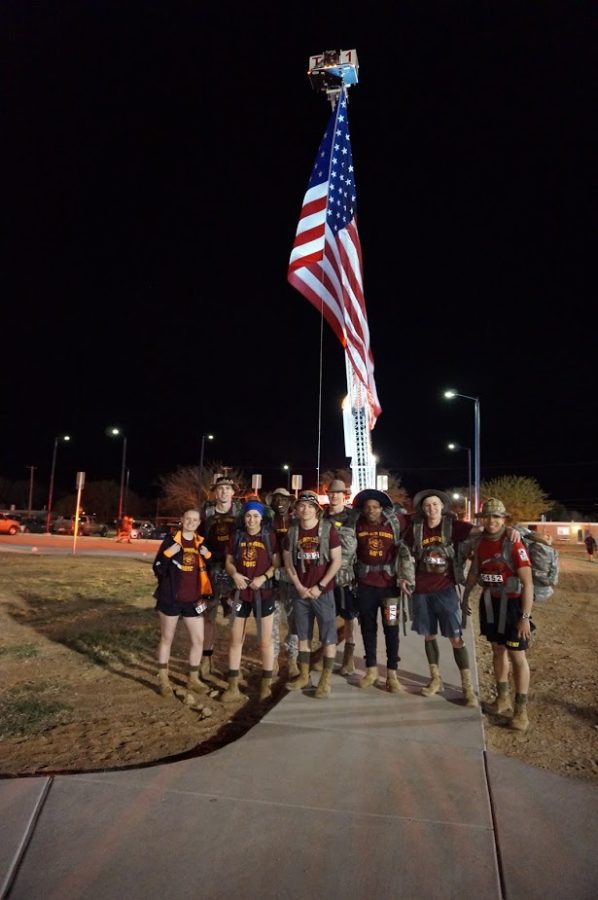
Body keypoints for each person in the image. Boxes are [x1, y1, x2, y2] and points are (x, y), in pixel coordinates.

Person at [462, 498, 534, 731]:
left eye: (496, 517)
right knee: (497, 650)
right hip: (490, 603)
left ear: (503, 520)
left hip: (513, 606)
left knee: (517, 656)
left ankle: (520, 711)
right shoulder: (480, 542)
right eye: (487, 517)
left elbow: (528, 583)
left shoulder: (514, 543)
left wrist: (525, 617)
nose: (491, 521)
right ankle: (502, 698)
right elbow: (475, 571)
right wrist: (465, 597)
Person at [402, 490, 478, 706]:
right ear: (422, 509)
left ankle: (467, 686)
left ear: (442, 507)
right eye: (427, 505)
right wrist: (404, 577)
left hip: (445, 590)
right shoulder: (415, 528)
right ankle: (436, 679)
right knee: (428, 635)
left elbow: (482, 531)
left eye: (435, 505)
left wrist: (513, 532)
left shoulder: (453, 526)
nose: (431, 509)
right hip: (421, 590)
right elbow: (403, 549)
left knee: (455, 637)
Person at [352, 489, 414, 693]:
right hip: (365, 586)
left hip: (390, 587)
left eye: (375, 507)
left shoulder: (396, 523)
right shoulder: (356, 523)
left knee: (391, 628)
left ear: (381, 508)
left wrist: (406, 576)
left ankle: (392, 674)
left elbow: (417, 524)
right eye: (368, 507)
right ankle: (370, 670)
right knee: (368, 627)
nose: (371, 510)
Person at [283, 491, 342, 698]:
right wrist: (298, 585)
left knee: (328, 637)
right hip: (301, 592)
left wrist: (321, 585)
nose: (305, 509)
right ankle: (304, 675)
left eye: (309, 506)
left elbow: (336, 561)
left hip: (322, 592)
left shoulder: (328, 530)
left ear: (317, 509)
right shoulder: (292, 532)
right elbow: (288, 561)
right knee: (303, 637)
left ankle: (325, 680)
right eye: (301, 506)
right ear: (297, 509)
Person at [221, 500, 280, 702]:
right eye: (248, 516)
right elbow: (228, 561)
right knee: (236, 639)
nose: (252, 519)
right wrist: (235, 575)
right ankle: (232, 684)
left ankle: (266, 682)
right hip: (241, 594)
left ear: (261, 518)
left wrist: (263, 577)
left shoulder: (269, 536)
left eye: (255, 516)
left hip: (264, 593)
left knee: (265, 641)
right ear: (243, 517)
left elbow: (277, 563)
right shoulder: (237, 536)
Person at [152, 508, 213, 701]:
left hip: (193, 600)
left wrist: (208, 556)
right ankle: (163, 678)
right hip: (170, 598)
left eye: (195, 520)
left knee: (199, 640)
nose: (191, 522)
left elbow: (209, 571)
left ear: (198, 522)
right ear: (181, 520)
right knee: (167, 638)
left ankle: (193, 678)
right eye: (188, 519)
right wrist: (168, 554)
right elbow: (158, 568)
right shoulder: (171, 541)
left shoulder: (201, 543)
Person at [199, 476, 244, 681]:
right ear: (215, 492)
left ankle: (235, 665)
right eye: (220, 489)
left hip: (233, 571)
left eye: (227, 488)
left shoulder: (241, 513)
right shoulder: (206, 512)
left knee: (235, 619)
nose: (224, 492)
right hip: (209, 570)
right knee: (208, 617)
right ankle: (206, 660)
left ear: (233, 492)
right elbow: (196, 537)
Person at [323, 478, 360, 675]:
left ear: (344, 495)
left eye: (338, 493)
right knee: (326, 618)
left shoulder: (352, 518)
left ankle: (348, 658)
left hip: (346, 576)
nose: (334, 496)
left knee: (348, 617)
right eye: (331, 493)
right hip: (324, 576)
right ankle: (326, 654)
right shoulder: (321, 516)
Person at [269, 487, 299, 677]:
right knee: (271, 620)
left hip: (291, 579)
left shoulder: (297, 523)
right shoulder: (266, 523)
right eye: (276, 500)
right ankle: (272, 659)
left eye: (284, 500)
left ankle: (292, 658)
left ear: (290, 503)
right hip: (271, 578)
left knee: (294, 621)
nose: (280, 503)